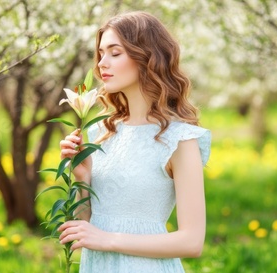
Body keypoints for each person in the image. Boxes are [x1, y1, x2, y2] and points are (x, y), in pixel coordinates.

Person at [57, 11, 211, 273]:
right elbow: (90, 224)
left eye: (115, 53)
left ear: (147, 58)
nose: (102, 63)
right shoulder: (99, 132)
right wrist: (81, 175)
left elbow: (192, 242)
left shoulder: (179, 139)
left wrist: (109, 240)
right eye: (101, 53)